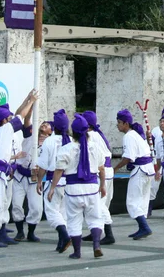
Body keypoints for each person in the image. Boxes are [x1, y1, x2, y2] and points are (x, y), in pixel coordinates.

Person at [0, 90, 38, 248]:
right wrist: (31, 101)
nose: (12, 120)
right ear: (5, 120)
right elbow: (20, 117)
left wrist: (27, 99)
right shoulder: (4, 130)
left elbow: (18, 115)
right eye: (9, 118)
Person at [48, 114, 106, 260]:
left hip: (73, 190)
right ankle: (97, 245)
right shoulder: (96, 148)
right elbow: (102, 169)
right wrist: (103, 185)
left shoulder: (66, 149)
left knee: (74, 221)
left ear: (72, 132)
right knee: (95, 218)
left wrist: (52, 188)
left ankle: (77, 252)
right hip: (92, 188)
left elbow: (59, 171)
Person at [114, 109, 155, 239]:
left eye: (119, 122)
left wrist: (115, 168)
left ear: (126, 123)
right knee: (142, 199)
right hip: (147, 169)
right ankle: (142, 227)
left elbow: (128, 158)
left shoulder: (129, 136)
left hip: (141, 170)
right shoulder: (135, 135)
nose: (118, 125)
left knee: (132, 201)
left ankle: (145, 227)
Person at [12, 102, 50, 243]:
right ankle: (20, 232)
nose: (43, 125)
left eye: (46, 125)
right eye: (42, 124)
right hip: (20, 175)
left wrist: (40, 174)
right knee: (16, 204)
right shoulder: (31, 134)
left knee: (36, 207)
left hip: (35, 178)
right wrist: (32, 102)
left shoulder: (51, 144)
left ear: (50, 132)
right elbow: (27, 120)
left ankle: (31, 232)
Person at [37, 108, 72, 252]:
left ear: (54, 127)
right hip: (68, 182)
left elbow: (43, 165)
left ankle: (65, 236)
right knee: (62, 213)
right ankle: (61, 242)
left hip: (54, 181)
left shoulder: (49, 141)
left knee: (51, 212)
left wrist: (39, 181)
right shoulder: (71, 141)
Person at [81, 111, 115, 246]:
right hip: (107, 171)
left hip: (102, 171)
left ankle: (109, 233)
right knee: (102, 203)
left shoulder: (91, 135)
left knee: (100, 205)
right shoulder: (97, 134)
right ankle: (96, 231)